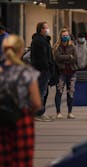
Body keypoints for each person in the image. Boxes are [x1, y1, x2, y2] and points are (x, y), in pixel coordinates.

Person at [0, 35, 42, 167]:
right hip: (22, 120)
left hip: (1, 119)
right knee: (21, 161)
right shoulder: (27, 73)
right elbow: (36, 103)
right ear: (20, 50)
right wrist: (30, 112)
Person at [30, 21, 54, 121]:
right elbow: (42, 57)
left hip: (43, 69)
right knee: (41, 92)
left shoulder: (43, 40)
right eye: (46, 28)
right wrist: (47, 67)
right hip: (41, 70)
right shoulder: (39, 41)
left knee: (44, 91)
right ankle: (38, 113)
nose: (47, 29)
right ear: (41, 29)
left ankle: (41, 112)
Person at [53, 28, 78, 119]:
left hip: (72, 72)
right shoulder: (57, 47)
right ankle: (58, 112)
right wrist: (68, 57)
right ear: (60, 37)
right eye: (64, 36)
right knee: (59, 91)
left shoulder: (73, 46)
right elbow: (57, 58)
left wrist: (65, 58)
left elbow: (75, 58)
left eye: (67, 35)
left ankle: (70, 112)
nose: (65, 37)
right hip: (61, 72)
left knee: (70, 92)